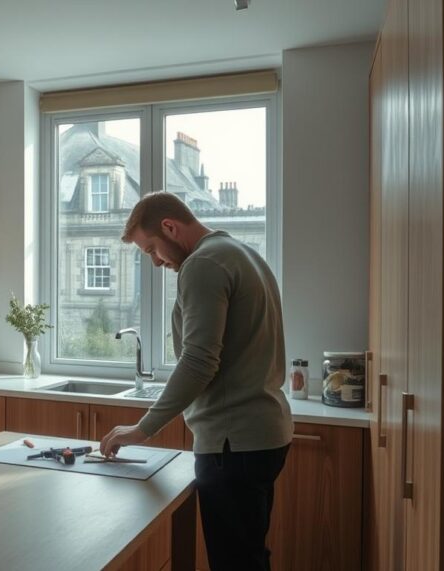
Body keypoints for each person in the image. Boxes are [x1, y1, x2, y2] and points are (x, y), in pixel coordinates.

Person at [99, 192, 293, 571]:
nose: (155, 261)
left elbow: (199, 361)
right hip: (262, 434)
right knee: (249, 556)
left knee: (235, 562)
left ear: (170, 226)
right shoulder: (241, 253)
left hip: (232, 442)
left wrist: (143, 428)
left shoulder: (203, 264)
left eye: (152, 248)